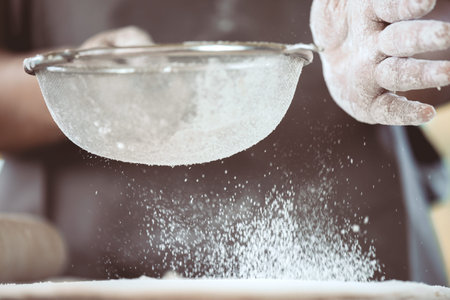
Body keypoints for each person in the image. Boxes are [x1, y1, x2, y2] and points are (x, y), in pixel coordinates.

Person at [0, 0, 449, 284]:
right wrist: (82, 91)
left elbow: (440, 28)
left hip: (350, 263)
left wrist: (397, 46)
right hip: (75, 268)